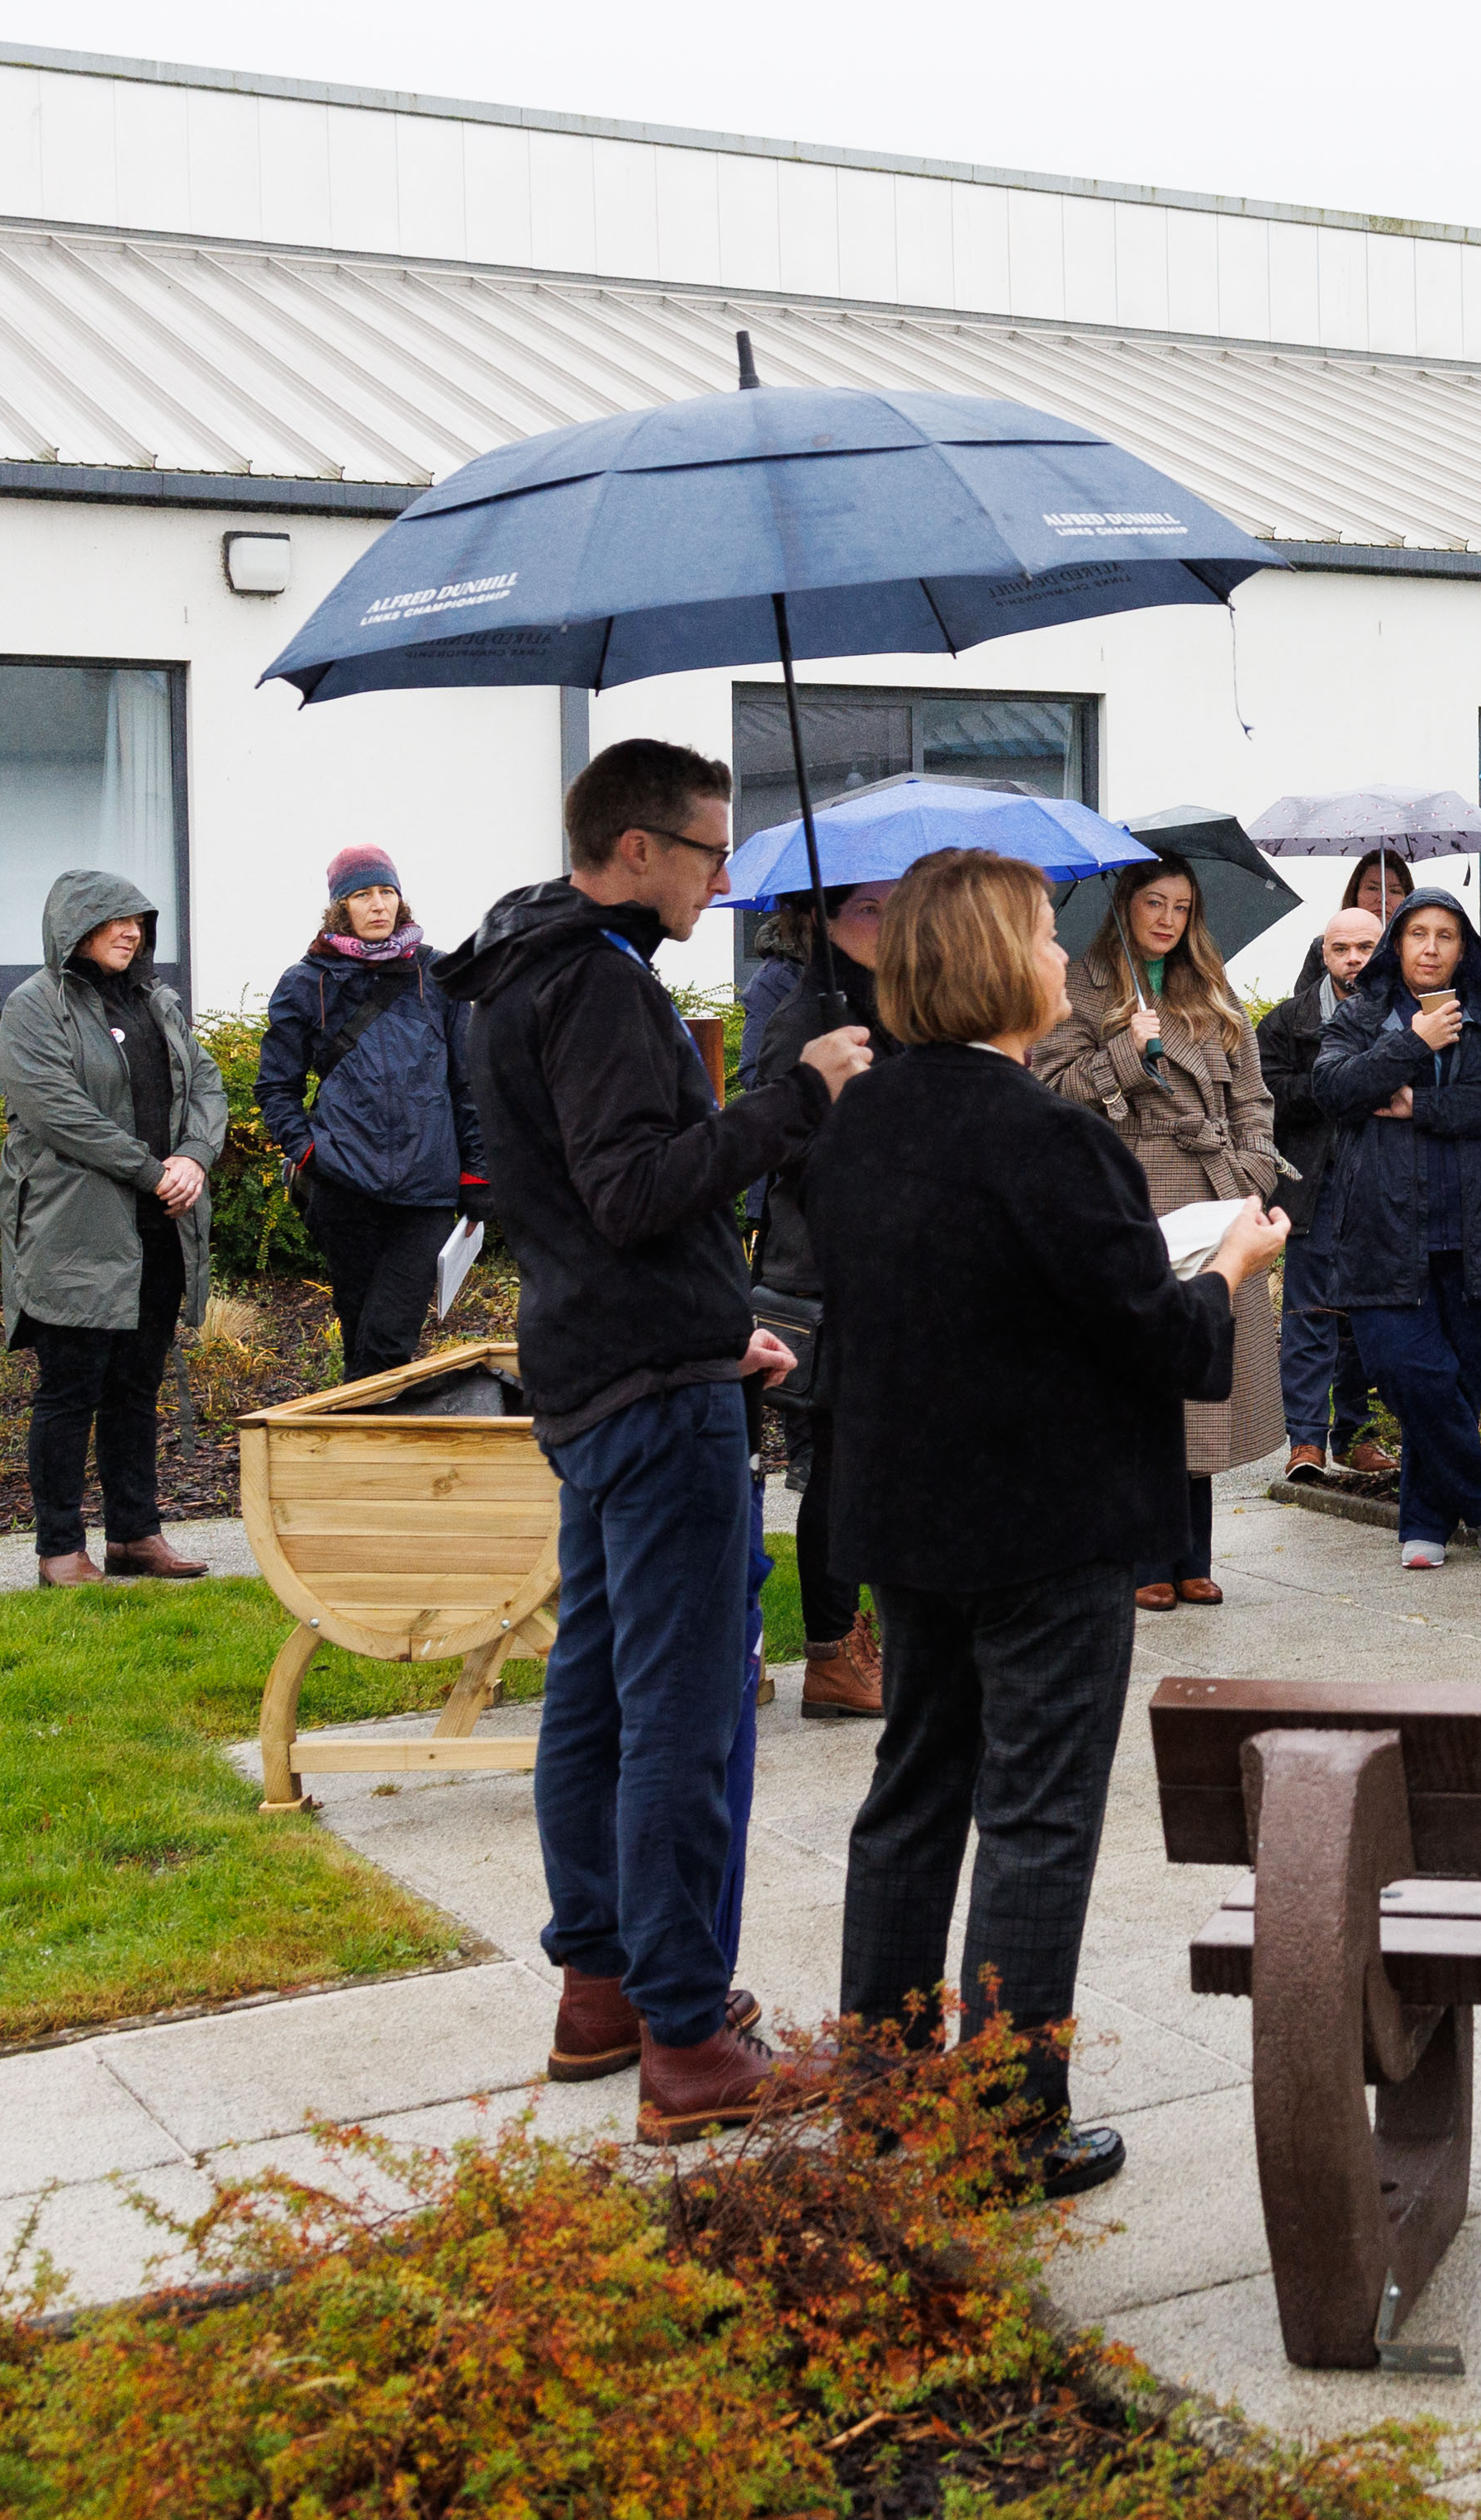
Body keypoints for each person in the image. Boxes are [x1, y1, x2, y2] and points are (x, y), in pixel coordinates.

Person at [817, 846, 1281, 2200]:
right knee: (1033, 1813)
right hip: (1046, 1520)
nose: (1054, 960)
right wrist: (1231, 1269)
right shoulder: (1049, 1136)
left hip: (909, 1508)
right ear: (986, 964)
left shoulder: (859, 1122)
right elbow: (1158, 1339)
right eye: (1036, 938)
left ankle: (882, 2090)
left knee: (912, 1795)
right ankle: (1010, 2121)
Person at [440, 738, 866, 2138]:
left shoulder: (522, 968)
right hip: (651, 1402)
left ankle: (601, 1990)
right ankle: (686, 2033)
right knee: (684, 1712)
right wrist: (800, 1094)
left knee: (601, 1691)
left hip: (605, 1366)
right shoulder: (602, 984)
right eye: (706, 850)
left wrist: (709, 1321)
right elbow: (636, 1190)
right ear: (635, 847)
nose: (722, 876)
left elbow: (586, 1208)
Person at [1032, 855, 1288, 1611]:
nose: (1168, 918)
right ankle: (1142, 1553)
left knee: (1199, 1375)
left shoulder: (1210, 988)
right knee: (1141, 1383)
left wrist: (1250, 1177)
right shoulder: (1081, 986)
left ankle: (1192, 1553)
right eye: (1153, 901)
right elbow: (1048, 1090)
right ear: (1124, 904)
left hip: (1215, 1203)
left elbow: (1255, 1101)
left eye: (1181, 905)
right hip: (1131, 1205)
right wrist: (1123, 1053)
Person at [2, 871, 225, 1589]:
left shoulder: (156, 1003)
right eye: (114, 919)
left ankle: (135, 1535)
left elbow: (208, 1084)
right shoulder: (35, 1008)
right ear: (75, 927)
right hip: (77, 1231)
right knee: (71, 1389)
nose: (131, 931)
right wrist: (150, 1169)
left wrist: (193, 1156)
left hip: (157, 1230)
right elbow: (57, 1112)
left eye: (138, 920)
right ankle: (60, 1549)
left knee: (136, 1385)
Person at [1307, 889, 1481, 1571]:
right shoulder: (1360, 1014)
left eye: (1445, 935)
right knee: (1408, 1374)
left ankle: (1425, 1523)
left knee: (1459, 1384)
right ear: (1395, 946)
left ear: (1464, 948)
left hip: (1479, 1229)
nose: (1430, 947)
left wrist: (1421, 1104)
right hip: (1383, 1229)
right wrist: (1412, 1042)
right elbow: (1332, 1090)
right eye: (1417, 935)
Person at [736, 880, 890, 1720]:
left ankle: (863, 1634)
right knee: (834, 1469)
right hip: (825, 1272)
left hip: (881, 1267)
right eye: (868, 908)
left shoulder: (887, 1001)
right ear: (822, 918)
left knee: (869, 1462)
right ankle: (833, 1651)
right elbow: (778, 1139)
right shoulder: (806, 1014)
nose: (887, 922)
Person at [255, 847, 483, 1387]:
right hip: (343, 1189)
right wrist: (309, 1150)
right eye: (362, 895)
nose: (378, 905)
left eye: (386, 891)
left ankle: (358, 1443)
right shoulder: (304, 981)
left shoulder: (439, 974)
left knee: (386, 1341)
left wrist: (477, 1172)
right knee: (360, 1330)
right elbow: (275, 1085)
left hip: (424, 1194)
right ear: (340, 907)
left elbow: (469, 1084)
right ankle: (363, 1452)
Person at [1260, 905, 1388, 1487]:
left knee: (1368, 1316)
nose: (1354, 959)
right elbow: (1267, 1095)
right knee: (1308, 1314)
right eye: (1342, 948)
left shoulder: (1401, 1015)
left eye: (1366, 947)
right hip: (1311, 1181)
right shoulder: (1287, 1022)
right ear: (1324, 952)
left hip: (1382, 1182)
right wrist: (1339, 1082)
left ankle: (1358, 1436)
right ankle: (1306, 1439)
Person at [1291, 847, 1418, 994]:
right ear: (1355, 892)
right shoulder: (1322, 946)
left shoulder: (1418, 951)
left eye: (1395, 891)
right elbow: (1302, 1006)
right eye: (1372, 888)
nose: (1382, 898)